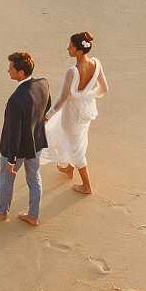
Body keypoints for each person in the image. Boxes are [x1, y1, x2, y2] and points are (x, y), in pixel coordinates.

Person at [0, 51, 51, 226]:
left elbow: (14, 133)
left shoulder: (16, 100)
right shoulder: (43, 83)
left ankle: (2, 211)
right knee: (34, 178)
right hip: (36, 143)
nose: (8, 71)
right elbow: (47, 104)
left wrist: (11, 159)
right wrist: (39, 121)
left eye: (11, 68)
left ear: (21, 72)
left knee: (6, 179)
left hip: (18, 150)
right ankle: (33, 216)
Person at [41, 31, 108, 195]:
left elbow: (62, 99)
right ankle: (70, 169)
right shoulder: (96, 64)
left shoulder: (73, 71)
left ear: (79, 50)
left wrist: (47, 116)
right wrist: (87, 96)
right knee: (78, 140)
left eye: (70, 46)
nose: (67, 49)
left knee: (75, 146)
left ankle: (87, 186)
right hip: (87, 111)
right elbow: (104, 89)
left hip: (72, 114)